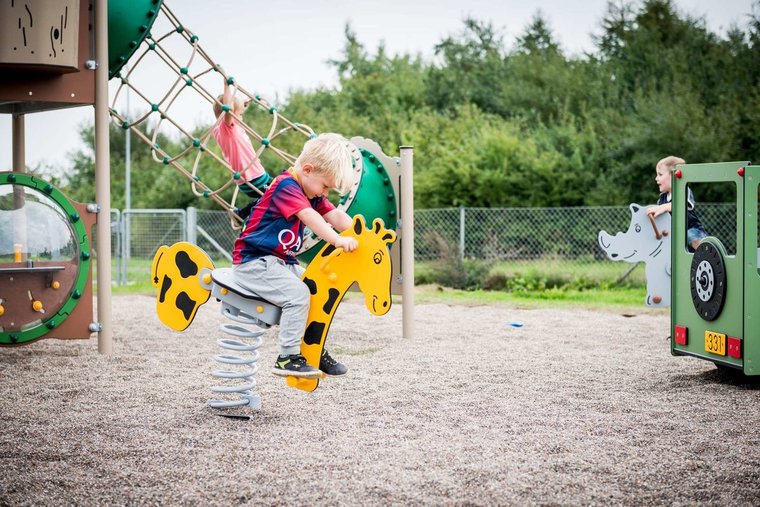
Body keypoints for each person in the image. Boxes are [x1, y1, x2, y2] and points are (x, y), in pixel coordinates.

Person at [231, 133, 358, 379]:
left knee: (318, 289)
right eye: (325, 186)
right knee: (299, 294)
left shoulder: (311, 191)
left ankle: (313, 348)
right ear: (307, 170)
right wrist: (338, 240)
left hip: (280, 263)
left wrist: (357, 233)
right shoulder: (285, 185)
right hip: (254, 262)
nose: (325, 193)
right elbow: (311, 217)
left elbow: (335, 216)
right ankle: (288, 356)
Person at [212, 76, 272, 214]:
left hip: (249, 179)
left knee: (272, 197)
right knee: (285, 192)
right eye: (240, 114)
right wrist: (226, 86)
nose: (242, 117)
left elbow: (231, 110)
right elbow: (228, 110)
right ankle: (243, 213)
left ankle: (241, 213)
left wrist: (242, 103)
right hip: (253, 178)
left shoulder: (223, 130)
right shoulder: (227, 128)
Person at [647, 155, 707, 251]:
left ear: (673, 176)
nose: (656, 178)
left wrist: (664, 207)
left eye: (660, 174)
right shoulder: (662, 199)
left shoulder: (684, 190)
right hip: (673, 235)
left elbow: (683, 205)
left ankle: (705, 253)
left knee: (690, 235)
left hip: (691, 229)